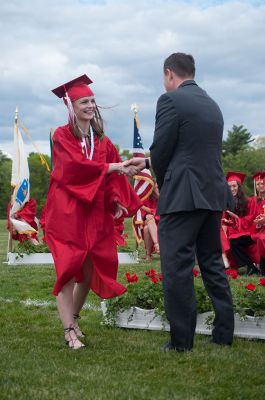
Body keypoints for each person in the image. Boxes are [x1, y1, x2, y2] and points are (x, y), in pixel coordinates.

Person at [125, 53, 235, 351]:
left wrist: (156, 171)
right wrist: (144, 163)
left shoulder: (169, 100)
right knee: (212, 261)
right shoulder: (212, 104)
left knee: (177, 265)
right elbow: (190, 151)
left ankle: (181, 341)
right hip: (211, 193)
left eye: (164, 78)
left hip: (183, 196)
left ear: (169, 73)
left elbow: (163, 148)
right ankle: (224, 333)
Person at [45, 74, 141, 349]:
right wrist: (116, 167)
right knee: (67, 269)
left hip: (93, 214)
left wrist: (117, 200)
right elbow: (72, 170)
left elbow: (112, 176)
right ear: (71, 105)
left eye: (92, 101)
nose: (90, 105)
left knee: (87, 272)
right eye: (84, 101)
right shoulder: (62, 136)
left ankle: (74, 318)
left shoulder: (101, 140)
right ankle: (67, 332)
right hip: (66, 213)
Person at [222, 172, 259, 275]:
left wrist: (237, 218)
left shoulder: (250, 201)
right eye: (229, 186)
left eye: (234, 186)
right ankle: (248, 267)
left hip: (249, 232)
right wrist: (225, 223)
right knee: (229, 239)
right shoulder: (226, 202)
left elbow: (251, 220)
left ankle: (249, 266)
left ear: (239, 187)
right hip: (235, 233)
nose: (232, 189)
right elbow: (223, 219)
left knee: (233, 240)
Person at [140, 183, 160, 261]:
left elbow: (160, 212)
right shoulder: (146, 199)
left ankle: (149, 253)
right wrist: (147, 216)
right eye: (157, 187)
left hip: (163, 223)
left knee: (147, 228)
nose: (159, 188)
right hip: (151, 222)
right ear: (153, 189)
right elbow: (142, 214)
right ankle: (156, 245)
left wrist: (149, 211)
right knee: (148, 223)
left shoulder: (165, 198)